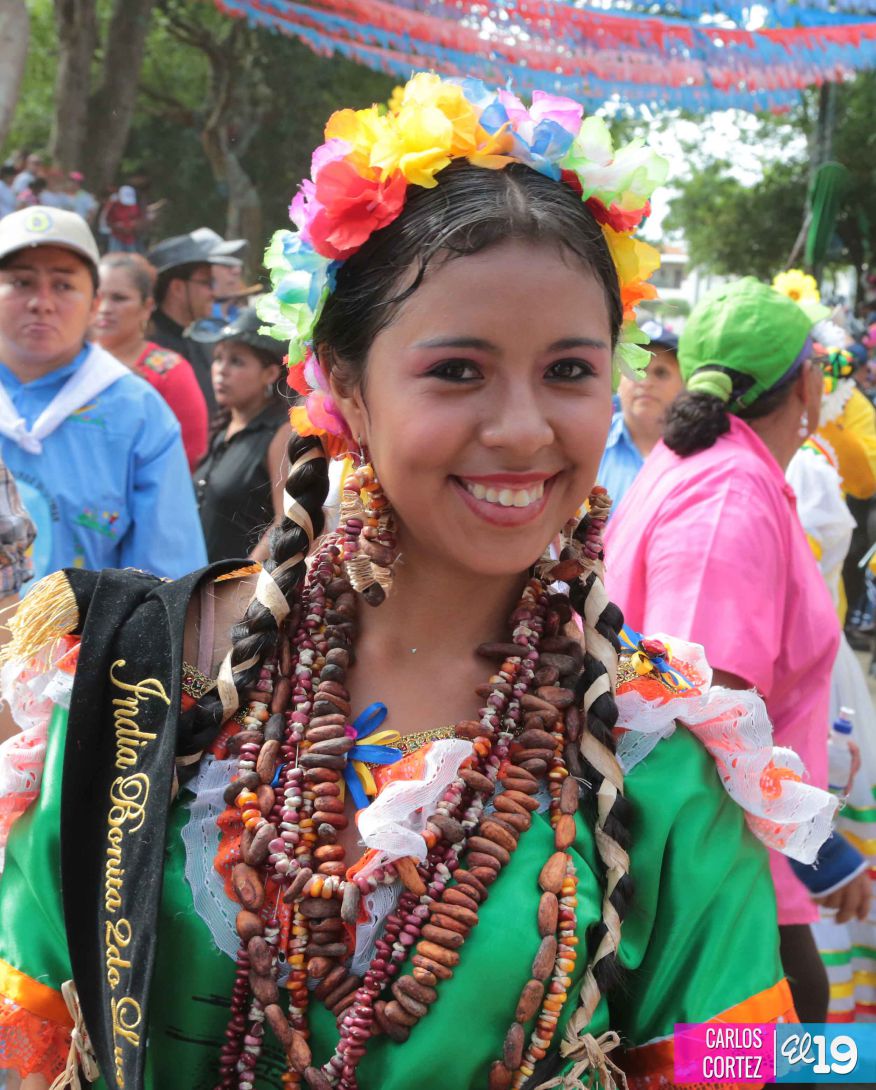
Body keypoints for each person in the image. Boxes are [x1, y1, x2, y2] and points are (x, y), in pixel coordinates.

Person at [0, 77, 835, 1090]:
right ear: (345, 383)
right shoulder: (151, 676)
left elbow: (742, 1060)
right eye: (458, 371)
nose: (526, 427)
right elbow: (25, 1022)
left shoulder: (657, 756)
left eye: (570, 371)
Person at [605, 277, 868, 1022]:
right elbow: (699, 699)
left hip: (726, 849)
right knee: (750, 1055)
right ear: (810, 384)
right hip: (715, 865)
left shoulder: (714, 469)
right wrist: (818, 843)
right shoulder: (728, 495)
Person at [0, 205, 207, 582]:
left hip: (87, 642)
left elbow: (165, 584)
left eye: (63, 285)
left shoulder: (140, 415)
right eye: (21, 282)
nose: (41, 302)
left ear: (94, 303)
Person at [193, 306, 291, 561]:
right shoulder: (223, 429)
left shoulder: (280, 432)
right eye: (218, 358)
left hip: (236, 592)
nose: (221, 370)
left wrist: (240, 581)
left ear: (270, 373)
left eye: (236, 361)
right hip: (196, 584)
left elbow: (286, 520)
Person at [95, 252, 208, 469]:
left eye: (119, 298)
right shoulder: (68, 363)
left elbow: (189, 455)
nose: (104, 308)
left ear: (147, 306)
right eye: (98, 297)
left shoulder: (171, 372)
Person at [596, 320, 681, 510]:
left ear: (683, 385)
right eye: (636, 369)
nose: (645, 381)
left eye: (661, 372)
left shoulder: (699, 453)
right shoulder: (589, 445)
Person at [147, 229, 224, 412]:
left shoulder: (198, 341)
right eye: (206, 283)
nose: (213, 293)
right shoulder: (149, 350)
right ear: (177, 288)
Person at [104, 185, 143, 253]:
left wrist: (133, 225)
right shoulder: (113, 205)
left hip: (130, 238)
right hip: (116, 237)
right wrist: (116, 226)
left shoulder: (135, 206)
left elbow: (139, 220)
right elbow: (107, 221)